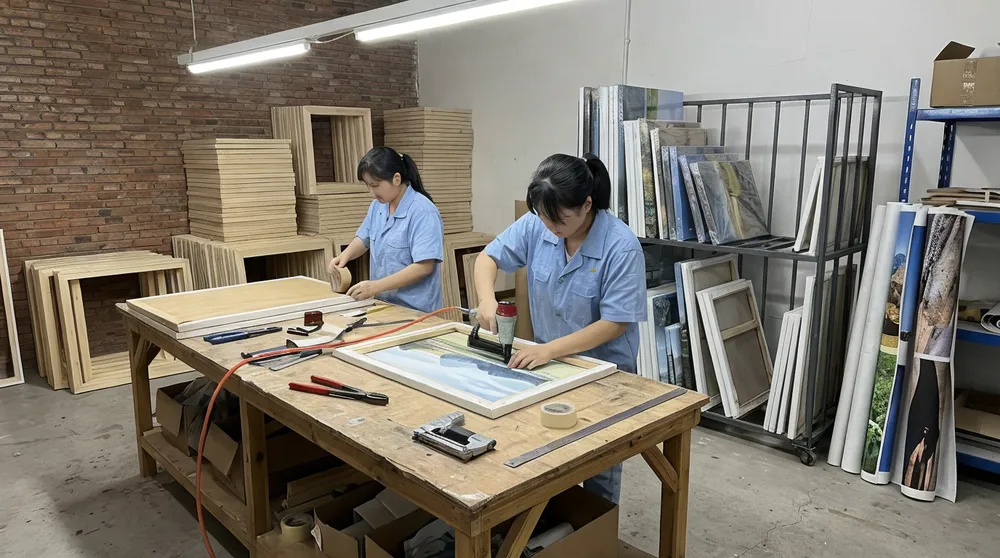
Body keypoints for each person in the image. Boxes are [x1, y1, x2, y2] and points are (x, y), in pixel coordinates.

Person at [473, 153, 647, 504]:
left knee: (599, 465)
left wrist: (548, 349)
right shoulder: (539, 223)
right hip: (548, 369)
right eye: (544, 216)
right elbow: (487, 258)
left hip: (603, 374)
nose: (551, 227)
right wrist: (486, 300)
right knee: (549, 455)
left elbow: (616, 322)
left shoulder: (621, 246)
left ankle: (593, 533)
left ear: (586, 204)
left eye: (560, 219)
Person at [329, 146, 444, 313]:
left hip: (416, 311)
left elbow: (424, 266)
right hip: (383, 305)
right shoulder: (378, 206)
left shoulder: (423, 212)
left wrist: (375, 286)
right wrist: (343, 257)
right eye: (368, 186)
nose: (372, 193)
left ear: (396, 179)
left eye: (375, 185)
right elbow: (364, 238)